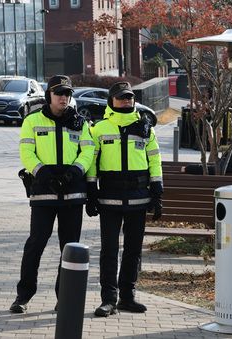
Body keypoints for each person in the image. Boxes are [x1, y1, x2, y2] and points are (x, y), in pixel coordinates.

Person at [9, 75, 95, 313]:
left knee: (69, 248)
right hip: (43, 193)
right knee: (35, 244)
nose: (63, 98)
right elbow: (26, 151)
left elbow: (88, 152)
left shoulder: (81, 123)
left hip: (73, 193)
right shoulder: (32, 120)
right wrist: (43, 173)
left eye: (67, 94)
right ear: (49, 95)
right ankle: (23, 297)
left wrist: (73, 174)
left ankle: (64, 298)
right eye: (59, 93)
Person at [86, 81, 163, 316]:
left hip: (138, 199)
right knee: (109, 251)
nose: (127, 100)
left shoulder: (145, 128)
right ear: (112, 101)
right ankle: (108, 299)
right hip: (109, 199)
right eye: (121, 97)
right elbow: (91, 163)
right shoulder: (99, 129)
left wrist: (157, 192)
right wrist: (91, 192)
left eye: (129, 97)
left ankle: (127, 297)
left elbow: (155, 160)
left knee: (133, 251)